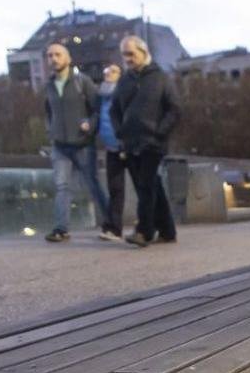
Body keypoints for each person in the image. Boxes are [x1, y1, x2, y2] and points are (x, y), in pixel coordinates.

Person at [110, 35, 182, 248]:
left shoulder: (160, 78)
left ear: (143, 52)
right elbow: (114, 109)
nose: (128, 58)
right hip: (130, 143)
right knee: (152, 186)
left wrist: (160, 132)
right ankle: (168, 230)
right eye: (124, 54)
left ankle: (144, 231)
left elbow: (175, 109)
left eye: (131, 54)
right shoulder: (124, 80)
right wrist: (119, 131)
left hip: (153, 143)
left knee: (145, 186)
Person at [42, 42, 112, 242]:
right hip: (60, 145)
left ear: (68, 58)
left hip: (82, 144)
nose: (53, 59)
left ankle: (110, 225)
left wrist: (90, 125)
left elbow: (97, 109)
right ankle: (61, 228)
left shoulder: (83, 81)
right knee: (62, 186)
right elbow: (48, 112)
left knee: (92, 184)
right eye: (50, 55)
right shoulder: (49, 86)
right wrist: (51, 131)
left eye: (57, 54)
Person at [97, 64, 126, 240]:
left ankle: (152, 223)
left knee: (142, 186)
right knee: (115, 187)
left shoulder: (123, 92)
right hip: (110, 147)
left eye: (113, 71)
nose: (108, 74)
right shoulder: (101, 94)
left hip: (126, 145)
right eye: (106, 71)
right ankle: (113, 227)